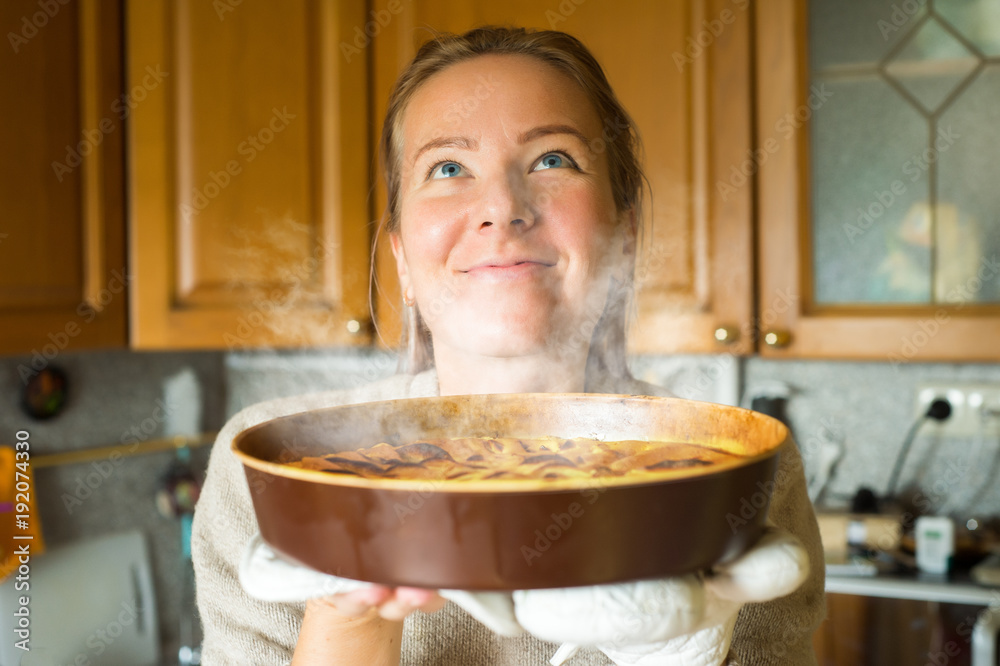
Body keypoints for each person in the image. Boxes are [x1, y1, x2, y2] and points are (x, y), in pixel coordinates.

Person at [192, 26, 825, 665]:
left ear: (624, 238)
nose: (502, 207)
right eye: (447, 167)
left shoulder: (732, 471)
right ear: (404, 261)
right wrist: (346, 607)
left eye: (552, 159)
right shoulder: (277, 473)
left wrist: (680, 652)